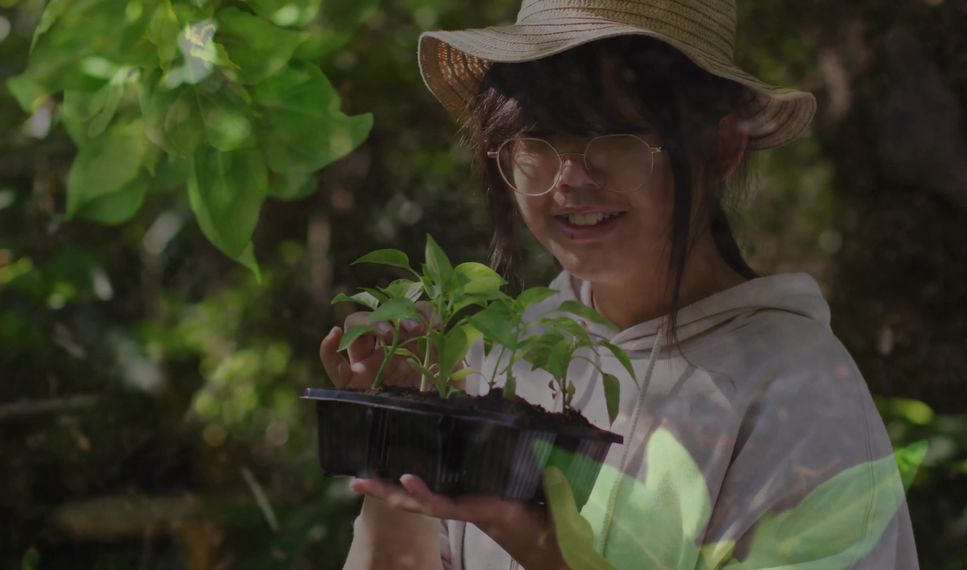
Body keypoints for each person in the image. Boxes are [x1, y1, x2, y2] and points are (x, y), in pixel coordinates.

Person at [319, 1, 919, 568]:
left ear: (720, 148)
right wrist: (399, 424)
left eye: (615, 137)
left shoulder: (795, 390)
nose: (569, 179)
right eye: (539, 138)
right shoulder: (502, 356)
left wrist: (554, 556)